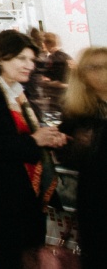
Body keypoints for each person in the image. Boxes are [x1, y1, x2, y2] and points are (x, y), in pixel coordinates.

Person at [0, 30, 67, 269]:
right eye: (22, 59)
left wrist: (50, 137)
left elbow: (26, 135)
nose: (29, 65)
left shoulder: (19, 91)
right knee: (10, 259)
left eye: (32, 60)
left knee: (31, 260)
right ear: (0, 57)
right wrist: (35, 141)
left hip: (28, 192)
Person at [59, 47, 107, 269]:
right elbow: (65, 155)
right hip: (96, 203)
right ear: (83, 75)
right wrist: (78, 145)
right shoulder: (77, 112)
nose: (103, 72)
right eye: (95, 67)